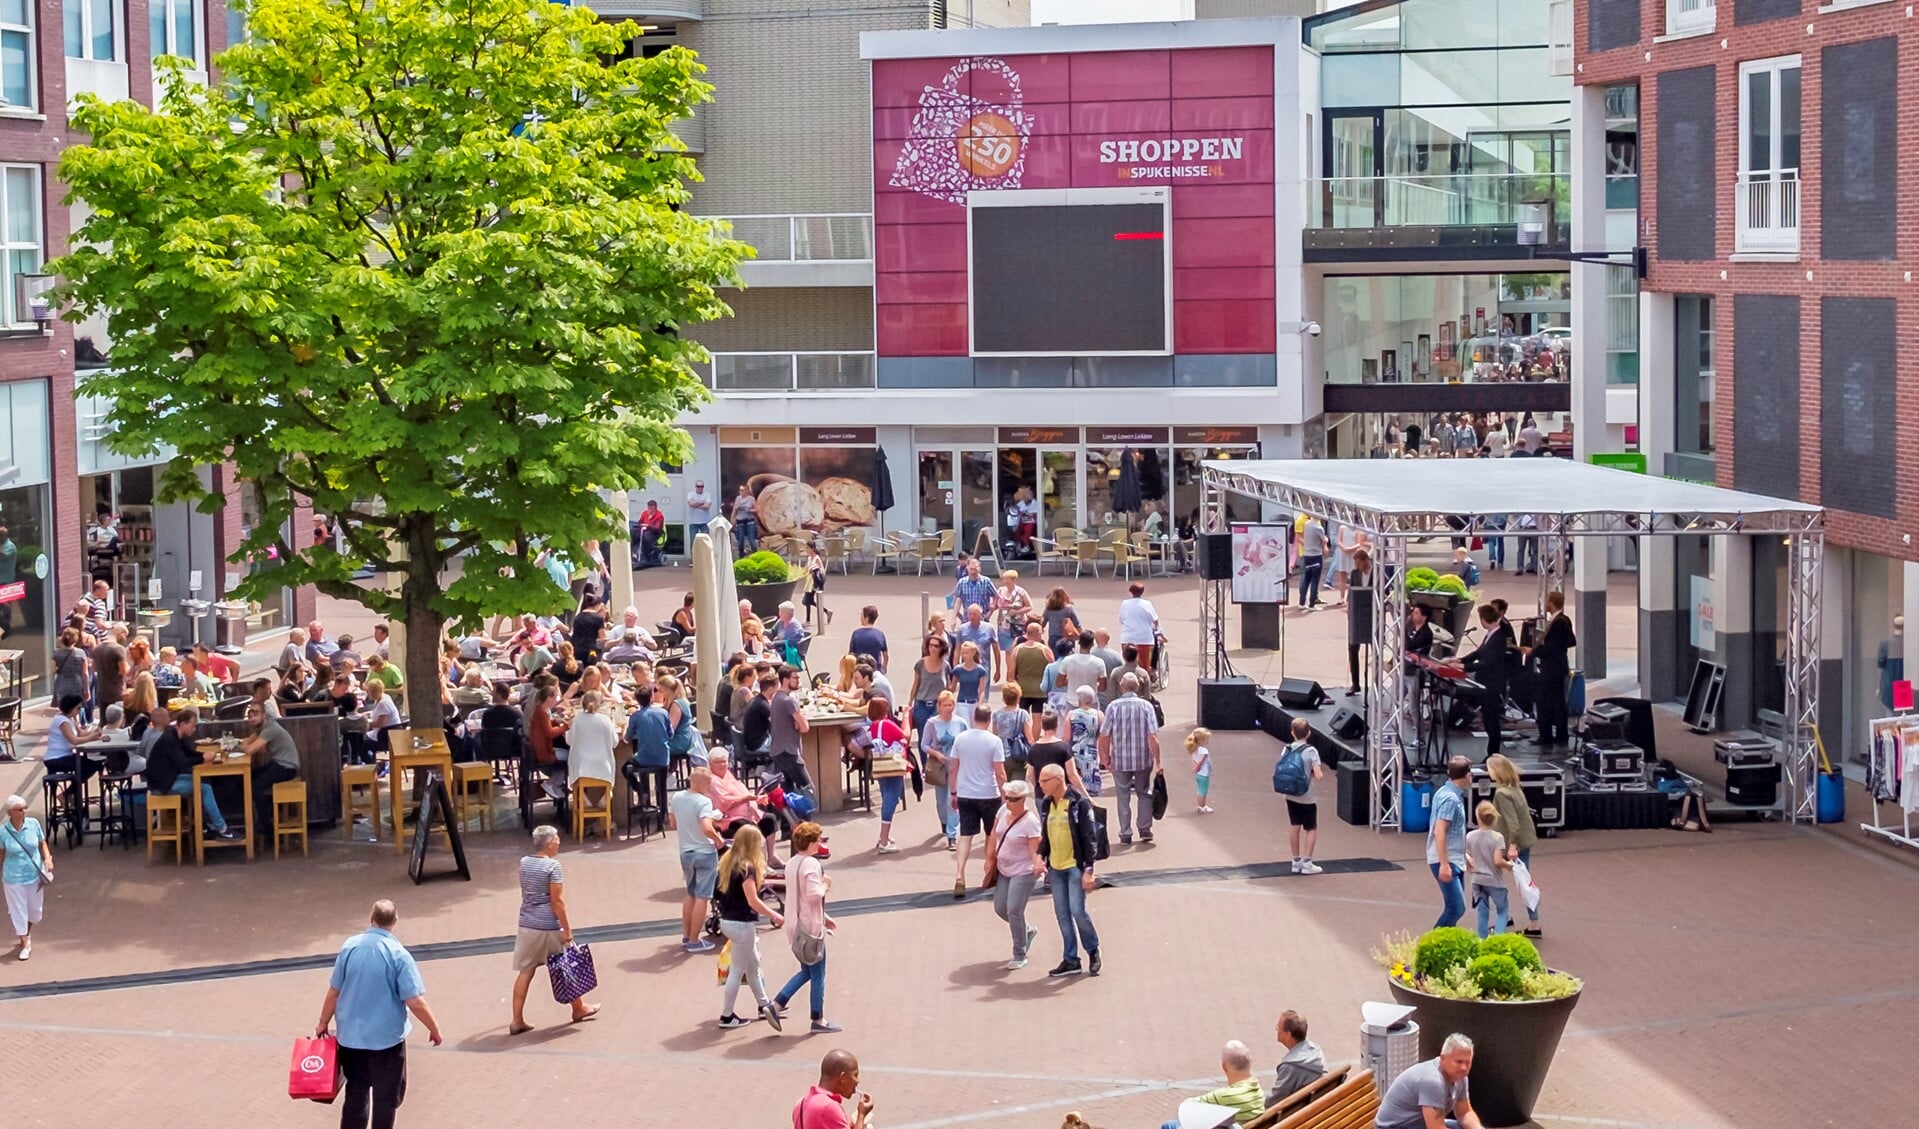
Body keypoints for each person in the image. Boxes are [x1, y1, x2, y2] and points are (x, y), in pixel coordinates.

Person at [315, 901, 444, 1129]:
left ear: (371, 918)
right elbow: (415, 1001)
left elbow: (334, 991)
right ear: (395, 921)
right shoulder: (399, 955)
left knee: (356, 1095)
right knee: (386, 1101)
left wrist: (323, 1022)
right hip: (386, 1043)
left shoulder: (349, 947)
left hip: (351, 1040)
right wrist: (434, 1028)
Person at [509, 825, 600, 1033]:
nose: (559, 841)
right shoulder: (553, 867)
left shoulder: (524, 862)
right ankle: (578, 1008)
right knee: (567, 964)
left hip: (527, 923)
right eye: (557, 838)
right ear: (549, 843)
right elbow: (557, 901)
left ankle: (516, 1019)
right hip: (549, 924)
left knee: (526, 970)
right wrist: (567, 929)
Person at [714, 824, 785, 1030]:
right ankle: (727, 1015)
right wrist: (773, 914)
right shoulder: (748, 868)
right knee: (737, 970)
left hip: (728, 921)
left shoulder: (728, 861)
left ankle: (764, 1005)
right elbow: (752, 900)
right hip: (742, 923)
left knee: (753, 964)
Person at [770, 821, 839, 1033]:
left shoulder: (791, 863)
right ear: (810, 842)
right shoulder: (811, 864)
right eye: (818, 840)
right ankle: (817, 1018)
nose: (820, 843)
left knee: (807, 970)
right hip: (810, 926)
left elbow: (797, 896)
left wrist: (824, 915)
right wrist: (826, 884)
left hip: (795, 923)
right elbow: (812, 894)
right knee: (818, 971)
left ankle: (777, 1003)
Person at [1036, 763, 1101, 977]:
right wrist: (1039, 856)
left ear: (1058, 780)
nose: (1040, 785)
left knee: (1077, 911)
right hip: (1056, 867)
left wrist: (1089, 870)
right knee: (1062, 914)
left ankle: (1092, 950)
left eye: (1044, 781)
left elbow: (1089, 838)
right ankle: (1071, 959)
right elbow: (1045, 836)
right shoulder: (1047, 805)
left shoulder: (1078, 804)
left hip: (1074, 867)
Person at [143, 708, 242, 840]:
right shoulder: (170, 739)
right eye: (193, 725)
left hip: (168, 779)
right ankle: (223, 829)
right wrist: (203, 758)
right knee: (204, 788)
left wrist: (203, 756)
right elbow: (183, 762)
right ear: (183, 724)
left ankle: (208, 825)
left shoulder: (175, 735)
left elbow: (188, 754)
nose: (194, 729)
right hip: (162, 785)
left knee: (204, 781)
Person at [950, 704, 1008, 898]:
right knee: (991, 833)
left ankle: (959, 875)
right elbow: (999, 772)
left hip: (966, 793)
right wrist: (1005, 795)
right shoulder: (994, 741)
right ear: (989, 719)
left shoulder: (961, 738)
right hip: (988, 794)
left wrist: (953, 792)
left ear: (974, 717)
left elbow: (953, 768)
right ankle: (988, 869)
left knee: (965, 835)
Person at [986, 778, 1042, 969]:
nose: (1007, 801)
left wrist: (1037, 865)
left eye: (1011, 798)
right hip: (1004, 869)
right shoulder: (1003, 811)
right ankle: (1026, 930)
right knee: (1000, 908)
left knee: (1014, 910)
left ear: (1021, 799)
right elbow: (994, 833)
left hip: (1024, 871)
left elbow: (1036, 849)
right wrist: (989, 859)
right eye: (1006, 797)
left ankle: (1020, 953)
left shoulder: (1031, 822)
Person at [1098, 674, 1160, 845]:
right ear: (1138, 686)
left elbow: (1104, 736)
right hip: (1143, 758)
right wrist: (1159, 760)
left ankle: (1125, 832)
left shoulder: (1113, 707)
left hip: (1120, 759)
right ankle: (1145, 828)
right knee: (1144, 792)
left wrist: (1105, 757)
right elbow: (1152, 735)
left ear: (1121, 686)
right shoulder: (1146, 706)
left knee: (1123, 794)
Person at [668, 767, 725, 954]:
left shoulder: (676, 798)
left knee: (690, 894)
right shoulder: (703, 802)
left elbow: (673, 823)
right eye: (708, 782)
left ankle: (686, 936)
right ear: (700, 782)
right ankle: (694, 940)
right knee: (703, 896)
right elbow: (706, 827)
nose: (710, 786)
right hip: (704, 852)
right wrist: (718, 839)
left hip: (685, 851)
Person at [1375, 1034, 1483, 1129]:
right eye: (1459, 1062)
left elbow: (1464, 1113)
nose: (1464, 1067)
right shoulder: (1433, 1081)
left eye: (1467, 1062)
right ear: (1443, 1058)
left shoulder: (1460, 1077)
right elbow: (1436, 1128)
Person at [1161, 1041, 1265, 1129]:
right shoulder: (1257, 1089)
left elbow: (1188, 1105)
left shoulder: (1224, 1096)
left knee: (1168, 1125)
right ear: (1249, 1063)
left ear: (1224, 1066)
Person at [1, 794, 52, 961]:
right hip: (13, 878)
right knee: (18, 911)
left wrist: (47, 858)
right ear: (10, 812)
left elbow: (42, 843)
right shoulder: (3, 832)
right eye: (19, 809)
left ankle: (25, 932)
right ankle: (25, 943)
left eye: (24, 808)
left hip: (34, 875)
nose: (23, 812)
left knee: (35, 912)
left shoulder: (33, 824)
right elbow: (1, 855)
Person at [1460, 604, 1513, 756]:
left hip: (1492, 685)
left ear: (1484, 619)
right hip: (1485, 683)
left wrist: (1464, 666)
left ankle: (1493, 754)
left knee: (1492, 721)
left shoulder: (1498, 638)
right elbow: (1478, 653)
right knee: (1488, 719)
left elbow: (1488, 663)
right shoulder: (1491, 634)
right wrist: (1459, 660)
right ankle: (1492, 754)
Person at [918, 691, 968, 849]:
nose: (949, 708)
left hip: (956, 766)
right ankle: (945, 823)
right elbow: (924, 744)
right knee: (941, 800)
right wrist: (936, 754)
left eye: (951, 704)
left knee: (952, 799)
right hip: (939, 767)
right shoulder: (932, 723)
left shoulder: (960, 722)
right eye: (945, 705)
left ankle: (952, 835)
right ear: (939, 706)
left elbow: (967, 739)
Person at [1428, 756, 1472, 928]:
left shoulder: (1446, 793)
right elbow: (1440, 830)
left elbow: (1453, 831)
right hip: (1446, 860)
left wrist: (1464, 854)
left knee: (1453, 906)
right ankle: (1432, 943)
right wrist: (1444, 864)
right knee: (1457, 907)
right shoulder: (1450, 799)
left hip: (1454, 857)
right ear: (1467, 775)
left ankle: (1447, 943)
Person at [242, 702, 301, 819]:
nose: (252, 718)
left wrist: (244, 745)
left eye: (256, 714)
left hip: (286, 767)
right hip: (279, 764)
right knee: (248, 777)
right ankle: (265, 812)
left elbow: (249, 749)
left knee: (255, 787)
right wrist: (246, 744)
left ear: (264, 715)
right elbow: (255, 745)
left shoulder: (270, 729)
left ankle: (267, 824)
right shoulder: (263, 727)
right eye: (250, 715)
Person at [866, 698, 911, 853]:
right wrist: (906, 717)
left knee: (887, 797)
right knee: (891, 801)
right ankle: (884, 840)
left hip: (881, 766)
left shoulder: (873, 726)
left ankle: (884, 836)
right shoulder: (886, 724)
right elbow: (905, 735)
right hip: (893, 766)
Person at [1282, 718, 1326, 875]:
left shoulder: (1287, 749)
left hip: (1290, 793)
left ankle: (1295, 860)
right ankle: (1307, 862)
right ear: (1309, 733)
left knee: (1295, 825)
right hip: (1306, 795)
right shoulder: (1311, 751)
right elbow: (1319, 775)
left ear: (1292, 733)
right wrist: (1315, 774)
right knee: (1311, 827)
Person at [1531, 591, 1575, 746]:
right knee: (1557, 701)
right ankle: (1559, 735)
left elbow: (1554, 647)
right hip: (1557, 666)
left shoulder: (1559, 622)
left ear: (1551, 602)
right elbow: (1569, 641)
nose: (1545, 604)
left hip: (1553, 668)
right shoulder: (1563, 620)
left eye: (1547, 601)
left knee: (1546, 701)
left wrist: (1535, 651)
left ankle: (1547, 735)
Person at [1464, 800, 1512, 939]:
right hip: (1494, 880)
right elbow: (1498, 861)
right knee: (1502, 911)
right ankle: (1498, 938)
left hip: (1477, 880)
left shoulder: (1470, 836)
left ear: (1477, 817)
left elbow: (1466, 854)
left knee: (1482, 912)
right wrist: (1509, 865)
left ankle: (1482, 940)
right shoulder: (1498, 838)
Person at [794, 1048, 874, 1129]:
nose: (857, 1081)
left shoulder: (801, 1103)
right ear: (842, 1077)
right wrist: (861, 1114)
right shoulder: (829, 1107)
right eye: (855, 1075)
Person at [1268, 1010, 1327, 1107]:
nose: (1276, 1030)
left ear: (1288, 1034)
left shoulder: (1290, 1067)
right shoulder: (1316, 1051)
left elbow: (1273, 1102)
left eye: (1278, 1028)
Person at [1025, 710, 1086, 794]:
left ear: (1042, 726)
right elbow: (1072, 774)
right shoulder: (1064, 747)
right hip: (1061, 794)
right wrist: (1085, 794)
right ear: (1056, 726)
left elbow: (1030, 775)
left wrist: (1039, 787)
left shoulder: (1034, 748)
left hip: (1041, 795)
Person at [1117, 582, 1160, 679]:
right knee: (1144, 665)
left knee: (1127, 663)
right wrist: (1155, 628)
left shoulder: (1125, 603)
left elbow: (1121, 619)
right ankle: (1145, 683)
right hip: (1144, 639)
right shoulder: (1147, 604)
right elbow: (1155, 620)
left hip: (1128, 638)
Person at [1346, 549, 1374, 695]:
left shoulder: (1377, 573)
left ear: (1365, 560)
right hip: (1357, 617)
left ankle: (1376, 683)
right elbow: (1351, 592)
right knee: (1352, 649)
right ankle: (1355, 683)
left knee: (1376, 650)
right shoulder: (1354, 573)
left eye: (1359, 563)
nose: (1357, 566)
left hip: (1372, 617)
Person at [952, 606, 997, 686]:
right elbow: (957, 650)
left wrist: (998, 669)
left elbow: (996, 650)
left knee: (983, 694)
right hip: (966, 668)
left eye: (975, 614)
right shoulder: (962, 629)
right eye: (970, 614)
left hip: (984, 667)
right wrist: (956, 667)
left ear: (980, 615)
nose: (972, 616)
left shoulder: (989, 628)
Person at [1011, 622, 1052, 712]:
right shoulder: (1045, 650)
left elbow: (1011, 672)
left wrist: (1011, 688)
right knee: (1037, 719)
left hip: (1022, 690)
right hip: (1040, 691)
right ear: (1038, 634)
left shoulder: (1017, 649)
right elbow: (1052, 669)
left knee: (1023, 717)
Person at [49, 628, 89, 717]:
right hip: (77, 684)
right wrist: (87, 689)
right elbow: (85, 673)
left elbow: (52, 670)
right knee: (76, 709)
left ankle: (64, 726)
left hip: (61, 684)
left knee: (64, 709)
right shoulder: (81, 653)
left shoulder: (56, 653)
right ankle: (76, 727)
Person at [1060, 633, 1107, 706]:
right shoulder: (1099, 662)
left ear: (1079, 643)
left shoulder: (1067, 661)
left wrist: (1071, 681)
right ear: (1092, 644)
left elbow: (1059, 683)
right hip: (1091, 702)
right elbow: (1103, 687)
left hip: (1072, 701)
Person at [1297, 515, 1328, 608]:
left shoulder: (1306, 524)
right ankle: (1312, 604)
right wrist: (1326, 540)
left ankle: (1302, 602)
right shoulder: (1319, 528)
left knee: (1306, 579)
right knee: (1315, 580)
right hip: (1316, 555)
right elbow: (1324, 539)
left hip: (1307, 554)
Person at [847, 605, 888, 673]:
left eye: (862, 615)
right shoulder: (880, 634)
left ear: (867, 618)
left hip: (860, 671)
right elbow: (885, 655)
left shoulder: (856, 633)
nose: (860, 617)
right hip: (876, 670)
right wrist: (884, 668)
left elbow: (851, 654)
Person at [1042, 587, 1082, 652]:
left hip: (1053, 637)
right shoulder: (1069, 609)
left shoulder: (1048, 609)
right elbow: (1077, 624)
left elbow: (1042, 623)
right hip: (1067, 637)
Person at [1187, 727, 1214, 814]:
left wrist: (1195, 768)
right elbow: (1202, 763)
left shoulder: (1193, 749)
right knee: (1203, 791)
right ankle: (1203, 806)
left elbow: (1194, 760)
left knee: (1199, 790)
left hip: (1198, 774)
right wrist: (1197, 767)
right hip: (1204, 773)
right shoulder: (1204, 751)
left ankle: (1200, 805)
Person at [730, 482, 758, 553]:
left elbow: (757, 510)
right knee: (740, 541)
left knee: (751, 540)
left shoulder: (751, 499)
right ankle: (741, 557)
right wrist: (732, 517)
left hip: (749, 521)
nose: (740, 492)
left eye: (742, 490)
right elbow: (734, 509)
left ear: (747, 491)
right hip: (740, 521)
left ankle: (755, 554)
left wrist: (749, 510)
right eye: (740, 490)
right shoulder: (738, 498)